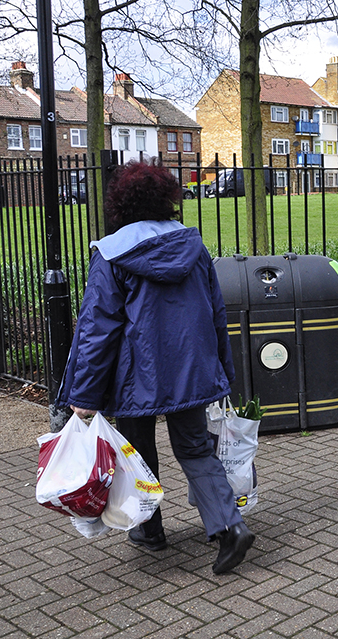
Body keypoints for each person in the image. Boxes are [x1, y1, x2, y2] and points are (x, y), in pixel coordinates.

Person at [57, 159, 254, 575]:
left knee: (136, 454)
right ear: (168, 198)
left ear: (120, 204)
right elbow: (217, 313)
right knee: (196, 449)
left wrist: (85, 396)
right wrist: (223, 370)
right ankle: (229, 526)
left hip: (135, 376)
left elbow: (97, 330)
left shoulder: (111, 254)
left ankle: (148, 530)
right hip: (191, 368)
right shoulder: (193, 246)